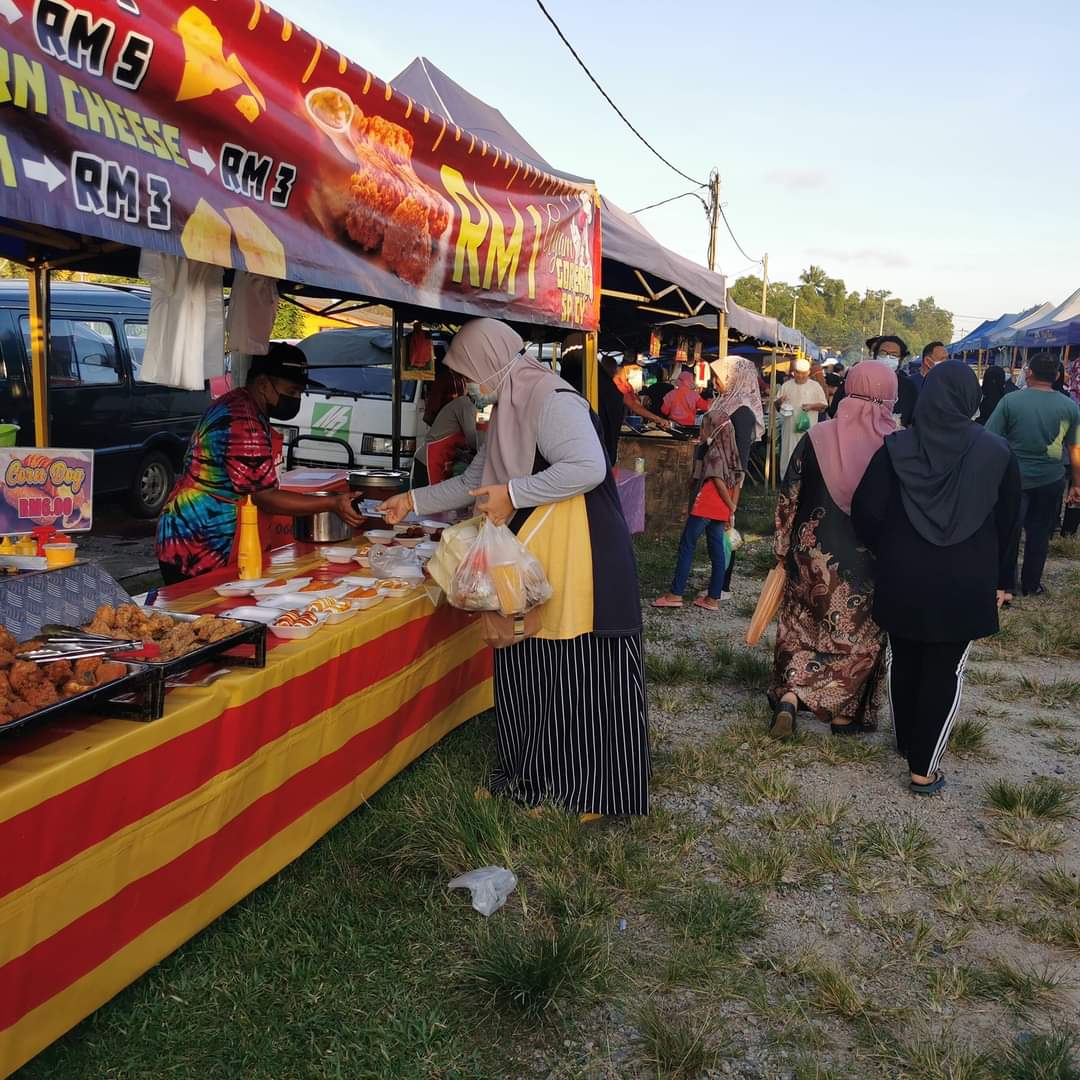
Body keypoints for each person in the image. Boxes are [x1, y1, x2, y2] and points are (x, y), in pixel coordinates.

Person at [380, 319, 650, 819]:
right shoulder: (507, 404)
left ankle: (591, 794)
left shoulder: (550, 397)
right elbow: (477, 479)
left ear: (488, 360)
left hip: (582, 550)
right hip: (536, 547)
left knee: (579, 673)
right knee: (528, 667)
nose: (465, 384)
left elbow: (587, 467)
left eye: (466, 371)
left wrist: (513, 494)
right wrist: (411, 499)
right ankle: (529, 779)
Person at [851, 361, 1020, 795]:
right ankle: (923, 766)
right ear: (972, 400)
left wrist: (886, 549)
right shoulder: (998, 452)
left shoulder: (895, 448)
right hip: (965, 581)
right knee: (945, 668)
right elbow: (1008, 524)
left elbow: (867, 510)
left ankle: (908, 740)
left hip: (903, 573)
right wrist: (1003, 581)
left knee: (904, 657)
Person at [155, 345, 364, 584]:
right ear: (264, 384)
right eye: (292, 391)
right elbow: (264, 496)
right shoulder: (243, 420)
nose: (296, 399)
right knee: (207, 611)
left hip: (205, 533)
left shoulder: (244, 406)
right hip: (201, 540)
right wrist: (332, 502)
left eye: (300, 392)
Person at [767, 362, 898, 739]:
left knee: (800, 627)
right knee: (857, 637)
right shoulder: (894, 443)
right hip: (864, 560)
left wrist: (782, 546)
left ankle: (791, 696)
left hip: (809, 551)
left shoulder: (818, 436)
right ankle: (842, 715)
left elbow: (789, 493)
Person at [652, 360, 746, 612]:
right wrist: (731, 509)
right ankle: (713, 598)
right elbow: (738, 479)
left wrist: (730, 504)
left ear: (713, 428)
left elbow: (715, 478)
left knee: (687, 545)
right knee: (716, 550)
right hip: (722, 509)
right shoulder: (732, 451)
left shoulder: (715, 453)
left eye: (706, 425)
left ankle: (675, 593)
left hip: (708, 503)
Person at [985, 351, 1080, 597]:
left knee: (1009, 531)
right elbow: (1075, 449)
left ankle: (1004, 585)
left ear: (1028, 372)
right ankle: (1031, 585)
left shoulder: (1010, 402)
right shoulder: (1070, 406)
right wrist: (1076, 484)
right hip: (1051, 478)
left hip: (1014, 479)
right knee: (1039, 534)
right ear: (1058, 376)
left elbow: (991, 438)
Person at [710, 355, 765, 600]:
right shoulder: (727, 402)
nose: (714, 382)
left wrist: (733, 501)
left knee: (726, 528)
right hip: (716, 476)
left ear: (735, 378)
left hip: (729, 482)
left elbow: (740, 461)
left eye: (719, 377)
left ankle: (722, 586)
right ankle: (716, 583)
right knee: (715, 531)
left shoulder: (742, 411)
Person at [828, 336, 918, 427]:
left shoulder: (908, 387)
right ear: (875, 355)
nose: (888, 357)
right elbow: (834, 409)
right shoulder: (856, 378)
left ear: (901, 359)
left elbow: (911, 420)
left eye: (893, 355)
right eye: (883, 353)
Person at [413, 368, 477, 487]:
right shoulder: (466, 404)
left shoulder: (467, 404)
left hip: (437, 460)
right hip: (429, 460)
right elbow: (473, 439)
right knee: (430, 502)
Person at [776, 357, 828, 476]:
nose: (800, 376)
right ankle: (786, 480)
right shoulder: (786, 385)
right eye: (798, 373)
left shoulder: (815, 386)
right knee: (788, 453)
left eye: (803, 374)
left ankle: (802, 481)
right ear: (794, 372)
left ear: (808, 372)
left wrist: (811, 406)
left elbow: (823, 406)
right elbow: (776, 405)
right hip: (789, 428)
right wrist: (780, 401)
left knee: (805, 454)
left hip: (807, 428)